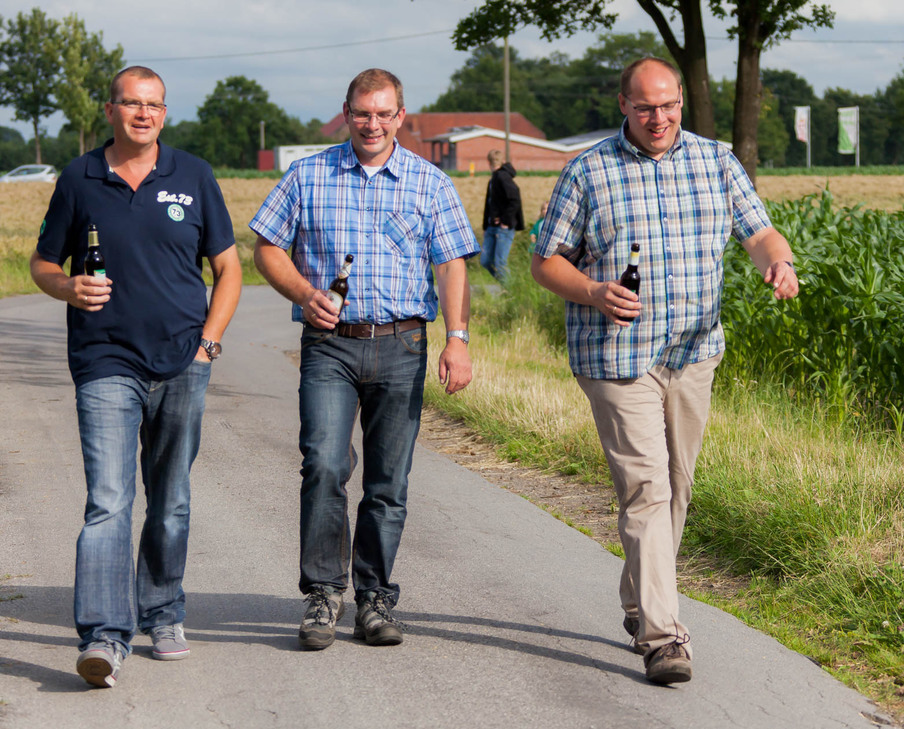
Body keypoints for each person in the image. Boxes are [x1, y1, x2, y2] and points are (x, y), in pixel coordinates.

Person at [530, 57, 799, 685]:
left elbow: (760, 232)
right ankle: (663, 637)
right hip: (617, 357)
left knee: (676, 489)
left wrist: (778, 262)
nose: (659, 118)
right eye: (646, 106)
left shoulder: (716, 161)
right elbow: (546, 261)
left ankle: (638, 599)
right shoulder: (589, 171)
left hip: (694, 352)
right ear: (623, 105)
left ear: (681, 101)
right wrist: (593, 291)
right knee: (646, 490)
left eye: (669, 105)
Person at [251, 68, 478, 651]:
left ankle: (374, 598)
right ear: (347, 113)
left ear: (400, 116)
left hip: (403, 345)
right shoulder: (309, 175)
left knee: (388, 481)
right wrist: (305, 293)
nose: (371, 124)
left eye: (383, 113)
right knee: (325, 464)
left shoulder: (430, 183)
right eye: (361, 113)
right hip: (330, 344)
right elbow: (267, 248)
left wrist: (457, 339)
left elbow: (452, 263)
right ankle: (324, 593)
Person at [30, 65, 241, 688]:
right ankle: (103, 635)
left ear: (164, 114)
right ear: (110, 110)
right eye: (131, 103)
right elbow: (42, 263)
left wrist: (207, 345)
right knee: (108, 501)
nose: (143, 114)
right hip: (104, 360)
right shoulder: (79, 178)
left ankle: (163, 611)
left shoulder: (194, 175)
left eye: (154, 105)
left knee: (170, 500)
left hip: (183, 361)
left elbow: (229, 269)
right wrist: (67, 287)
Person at [480, 149, 524, 282]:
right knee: (485, 261)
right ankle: (505, 285)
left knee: (500, 263)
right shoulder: (493, 179)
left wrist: (505, 220)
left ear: (489, 162)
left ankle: (509, 289)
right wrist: (485, 225)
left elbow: (515, 199)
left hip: (503, 227)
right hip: (491, 226)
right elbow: (489, 204)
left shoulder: (502, 177)